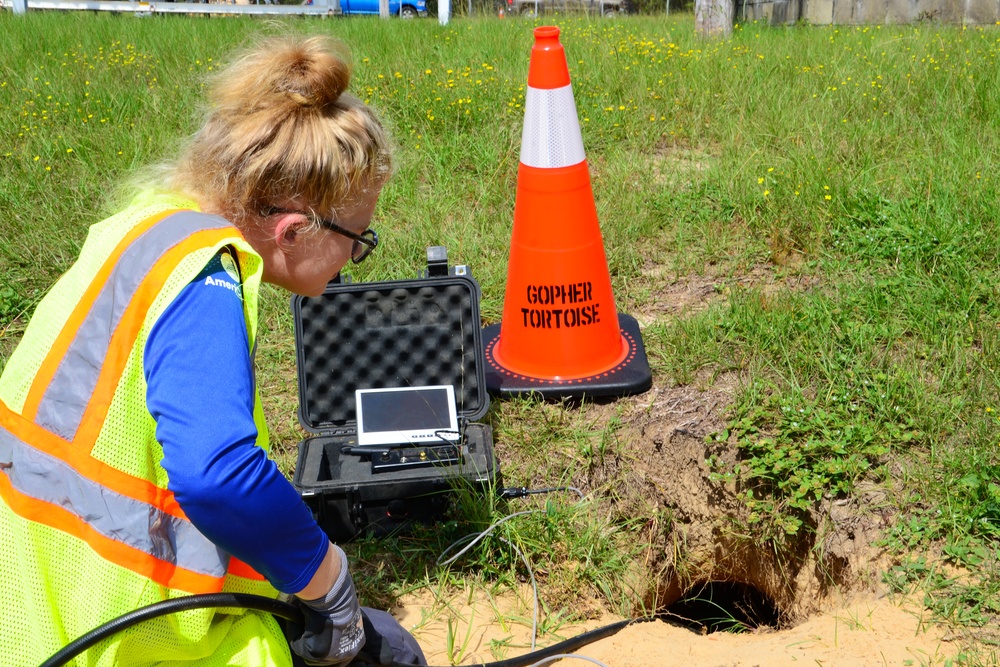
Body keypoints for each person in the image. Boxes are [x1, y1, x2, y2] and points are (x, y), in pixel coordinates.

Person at [0, 34, 425, 667]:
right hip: (116, 633)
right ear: (294, 228)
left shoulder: (146, 224)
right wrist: (328, 580)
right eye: (358, 239)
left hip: (30, 599)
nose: (356, 258)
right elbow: (218, 475)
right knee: (389, 651)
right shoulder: (205, 279)